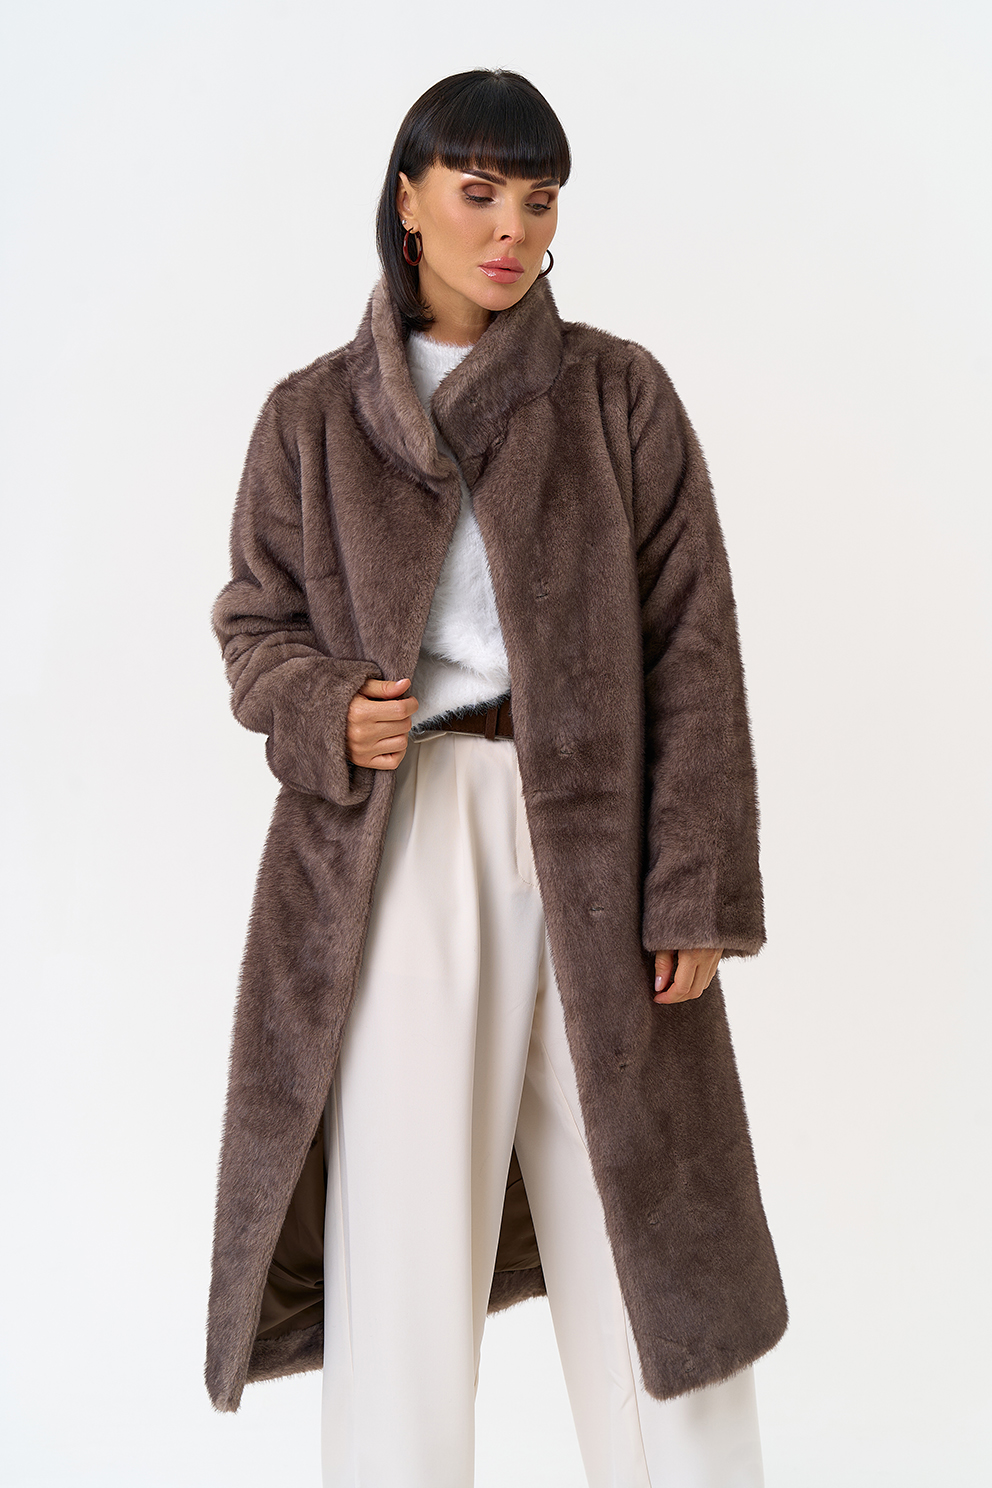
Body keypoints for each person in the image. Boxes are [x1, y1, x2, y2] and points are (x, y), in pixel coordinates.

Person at [206, 68, 787, 1488]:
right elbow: (255, 627)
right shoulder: (312, 419)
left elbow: (693, 644)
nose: (511, 228)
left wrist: (695, 887)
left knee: (647, 1245)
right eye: (478, 193)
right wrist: (329, 712)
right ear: (409, 200)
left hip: (598, 843)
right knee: (405, 1243)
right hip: (399, 844)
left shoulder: (617, 395)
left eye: (538, 199)